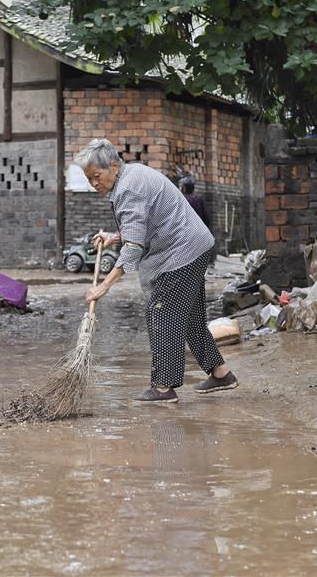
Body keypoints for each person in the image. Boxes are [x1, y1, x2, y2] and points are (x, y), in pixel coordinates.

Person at [79, 139, 238, 403]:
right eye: (89, 179)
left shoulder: (128, 189)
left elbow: (133, 247)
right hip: (194, 247)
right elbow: (147, 222)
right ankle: (221, 374)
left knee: (160, 312)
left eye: (97, 176)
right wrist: (113, 236)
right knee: (190, 318)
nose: (94, 184)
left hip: (181, 254)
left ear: (114, 166)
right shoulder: (133, 175)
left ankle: (163, 388)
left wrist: (103, 286)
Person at [178, 175, 216, 265]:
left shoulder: (181, 200)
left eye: (179, 186)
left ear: (183, 188)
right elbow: (207, 217)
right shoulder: (199, 199)